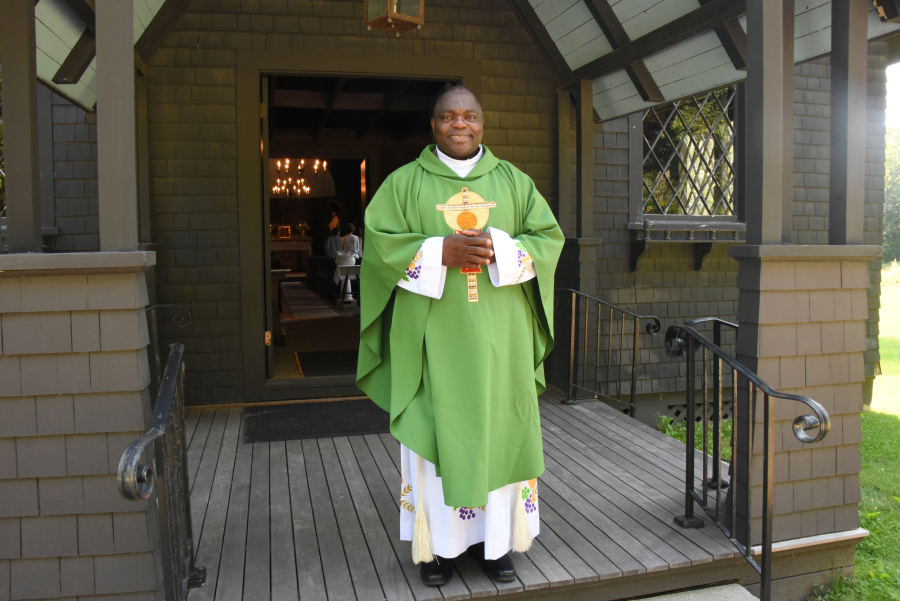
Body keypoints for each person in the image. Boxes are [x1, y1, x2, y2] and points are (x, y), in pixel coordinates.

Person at [358, 85, 563, 586]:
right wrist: (437, 252)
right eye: (449, 117)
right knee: (436, 437)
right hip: (432, 345)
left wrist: (497, 246)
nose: (460, 124)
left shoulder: (513, 182)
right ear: (434, 126)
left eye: (469, 116)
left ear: (482, 123)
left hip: (502, 346)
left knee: (501, 435)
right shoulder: (403, 184)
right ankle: (439, 550)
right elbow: (381, 247)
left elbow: (547, 241)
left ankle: (497, 547)